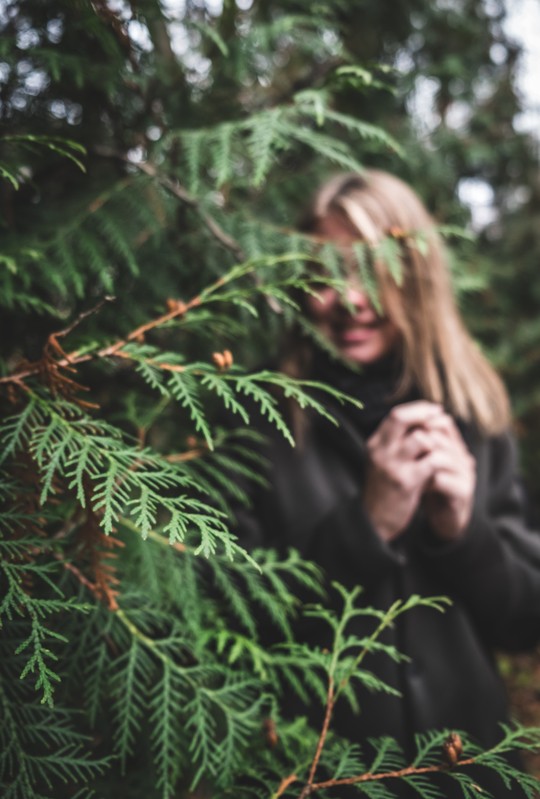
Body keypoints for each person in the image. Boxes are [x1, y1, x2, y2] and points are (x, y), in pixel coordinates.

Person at [231, 170, 540, 797]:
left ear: (418, 278)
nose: (350, 298)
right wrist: (363, 526)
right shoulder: (250, 422)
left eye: (374, 270)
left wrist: (464, 534)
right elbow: (230, 625)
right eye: (325, 273)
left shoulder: (475, 413)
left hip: (472, 776)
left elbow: (524, 624)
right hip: (316, 778)